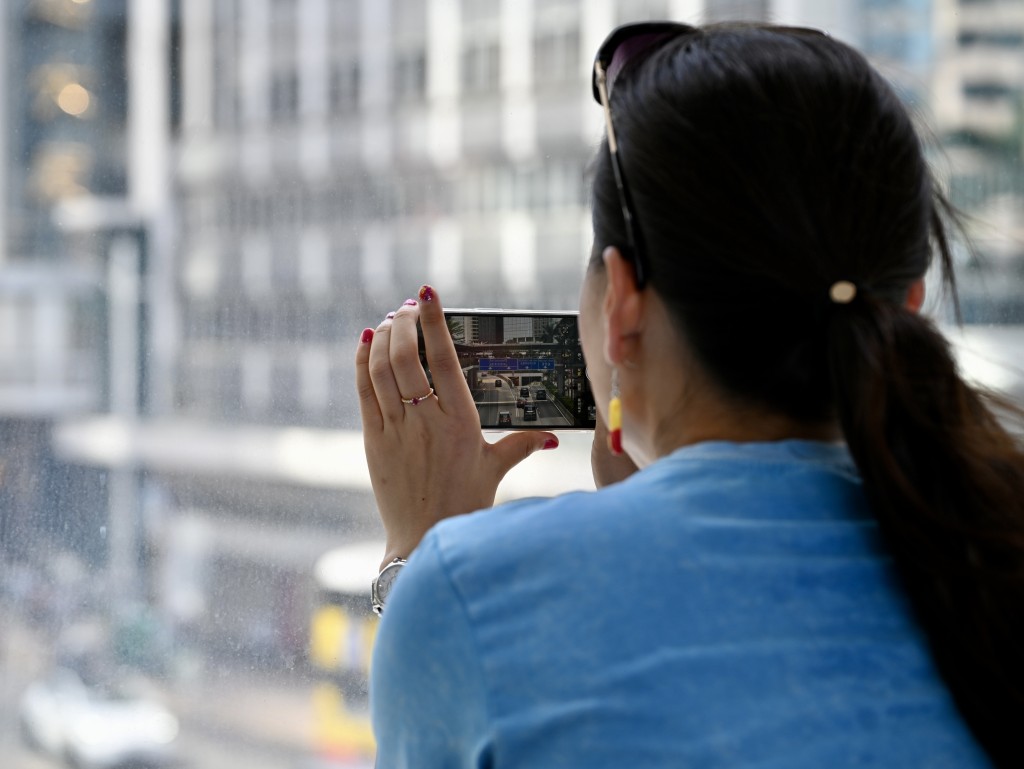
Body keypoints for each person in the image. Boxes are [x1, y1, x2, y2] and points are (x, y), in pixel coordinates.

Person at [354, 21, 1024, 768]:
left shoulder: (472, 597)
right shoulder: (988, 541)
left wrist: (419, 556)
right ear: (910, 303)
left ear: (623, 309)